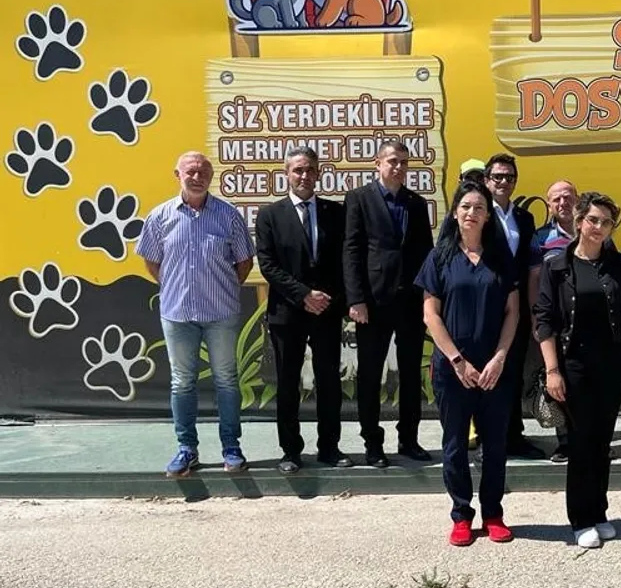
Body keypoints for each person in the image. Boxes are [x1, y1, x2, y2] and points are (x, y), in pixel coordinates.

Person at [533, 192, 621, 549]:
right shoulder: (556, 266)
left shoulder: (618, 265)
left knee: (602, 441)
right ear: (579, 222)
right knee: (580, 443)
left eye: (606, 222)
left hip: (610, 365)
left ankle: (599, 511)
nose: (599, 227)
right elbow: (544, 321)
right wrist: (552, 370)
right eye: (593, 220)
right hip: (573, 366)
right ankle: (580, 519)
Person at [137, 151, 255, 477]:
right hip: (177, 314)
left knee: (226, 381)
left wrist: (221, 288)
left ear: (211, 176)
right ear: (177, 175)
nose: (197, 176)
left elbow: (244, 262)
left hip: (221, 313)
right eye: (190, 171)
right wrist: (174, 286)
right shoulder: (159, 217)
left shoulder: (229, 216)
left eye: (203, 171)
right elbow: (151, 261)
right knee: (182, 383)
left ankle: (231, 448)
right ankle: (186, 449)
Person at [418, 181, 521, 546]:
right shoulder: (440, 257)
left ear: (488, 216)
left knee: (495, 446)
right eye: (465, 206)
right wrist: (458, 361)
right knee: (455, 445)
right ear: (455, 213)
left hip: (495, 371)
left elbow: (513, 312)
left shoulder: (500, 258)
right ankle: (461, 515)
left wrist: (500, 357)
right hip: (453, 371)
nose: (471, 213)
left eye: (479, 207)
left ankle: (493, 514)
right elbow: (431, 315)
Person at [255, 146, 352, 473]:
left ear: (318, 173)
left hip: (326, 310)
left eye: (310, 169)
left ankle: (329, 448)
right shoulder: (270, 215)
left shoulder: (335, 212)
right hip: (287, 312)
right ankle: (290, 452)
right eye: (298, 170)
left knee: (329, 382)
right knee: (287, 384)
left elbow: (345, 259)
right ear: (286, 174)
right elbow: (268, 264)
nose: (304, 175)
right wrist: (303, 295)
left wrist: (329, 297)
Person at [342, 140, 435, 468]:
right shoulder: (359, 199)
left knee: (410, 374)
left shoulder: (416, 203)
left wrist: (428, 297)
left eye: (404, 162)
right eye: (393, 161)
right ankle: (372, 442)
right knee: (370, 375)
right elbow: (351, 250)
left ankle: (409, 439)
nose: (398, 167)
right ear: (378, 163)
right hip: (373, 301)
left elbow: (425, 252)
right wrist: (356, 298)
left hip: (410, 301)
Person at [483, 153, 545, 460]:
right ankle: (488, 439)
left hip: (517, 303)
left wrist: (533, 311)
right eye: (498, 176)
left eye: (509, 177)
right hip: (485, 304)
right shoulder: (477, 212)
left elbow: (531, 266)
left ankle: (514, 436)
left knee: (514, 371)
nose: (504, 182)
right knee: (488, 370)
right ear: (486, 180)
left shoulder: (524, 218)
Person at [530, 179, 578, 463]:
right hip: (556, 321)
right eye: (557, 199)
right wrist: (536, 317)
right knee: (557, 379)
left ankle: (595, 441)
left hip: (588, 320)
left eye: (568, 197)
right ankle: (565, 442)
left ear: (577, 199)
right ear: (549, 205)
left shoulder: (592, 229)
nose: (563, 203)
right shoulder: (540, 238)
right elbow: (534, 280)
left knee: (589, 383)